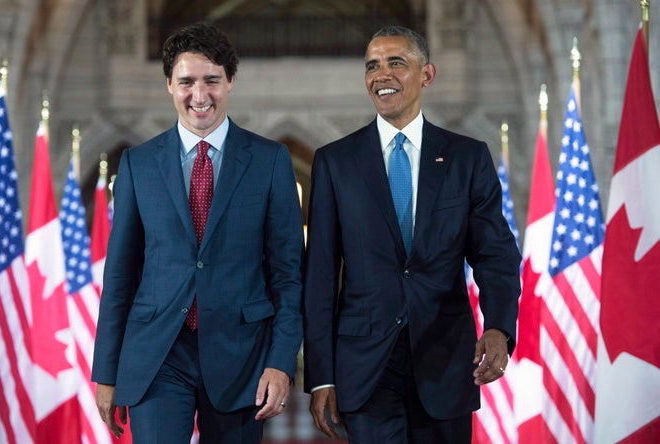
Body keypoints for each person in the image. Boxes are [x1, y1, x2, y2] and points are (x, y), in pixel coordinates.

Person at [303, 26, 521, 443]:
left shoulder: (466, 158)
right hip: (367, 370)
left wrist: (498, 327)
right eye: (372, 66)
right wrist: (320, 377)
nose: (381, 75)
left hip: (446, 363)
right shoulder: (335, 163)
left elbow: (495, 253)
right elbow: (321, 277)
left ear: (427, 74)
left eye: (396, 63)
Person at [92, 22, 304, 443]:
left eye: (212, 81)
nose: (199, 96)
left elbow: (288, 276)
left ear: (230, 82)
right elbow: (120, 275)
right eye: (186, 82)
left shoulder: (270, 161)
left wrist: (281, 363)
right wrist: (107, 371)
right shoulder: (139, 164)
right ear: (169, 84)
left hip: (242, 355)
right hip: (158, 355)